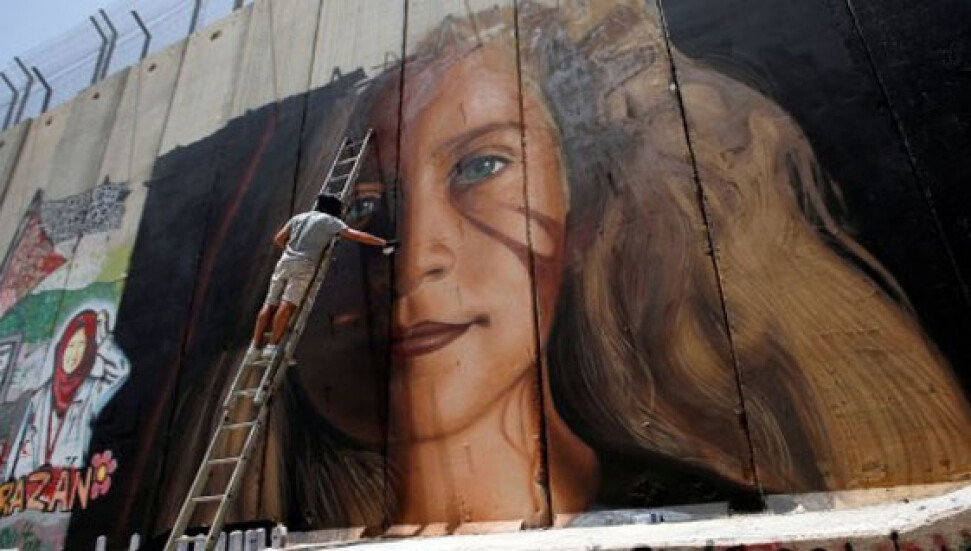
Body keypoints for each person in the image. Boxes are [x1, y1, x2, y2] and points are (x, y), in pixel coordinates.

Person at [272, 0, 971, 528]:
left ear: (578, 219)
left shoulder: (706, 514)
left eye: (482, 165)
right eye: (367, 206)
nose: (414, 256)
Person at [248, 194, 396, 361]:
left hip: (285, 261)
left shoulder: (299, 217)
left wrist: (291, 251)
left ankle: (254, 347)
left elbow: (278, 239)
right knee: (287, 304)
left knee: (269, 304)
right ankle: (271, 346)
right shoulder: (329, 221)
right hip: (304, 265)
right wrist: (383, 242)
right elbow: (356, 235)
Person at [4, 308, 130, 479]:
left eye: (82, 346)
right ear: (62, 348)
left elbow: (120, 371)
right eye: (70, 345)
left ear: (89, 351)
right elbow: (19, 452)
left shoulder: (91, 391)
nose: (74, 354)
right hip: (30, 488)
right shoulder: (39, 398)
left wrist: (103, 339)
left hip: (67, 486)